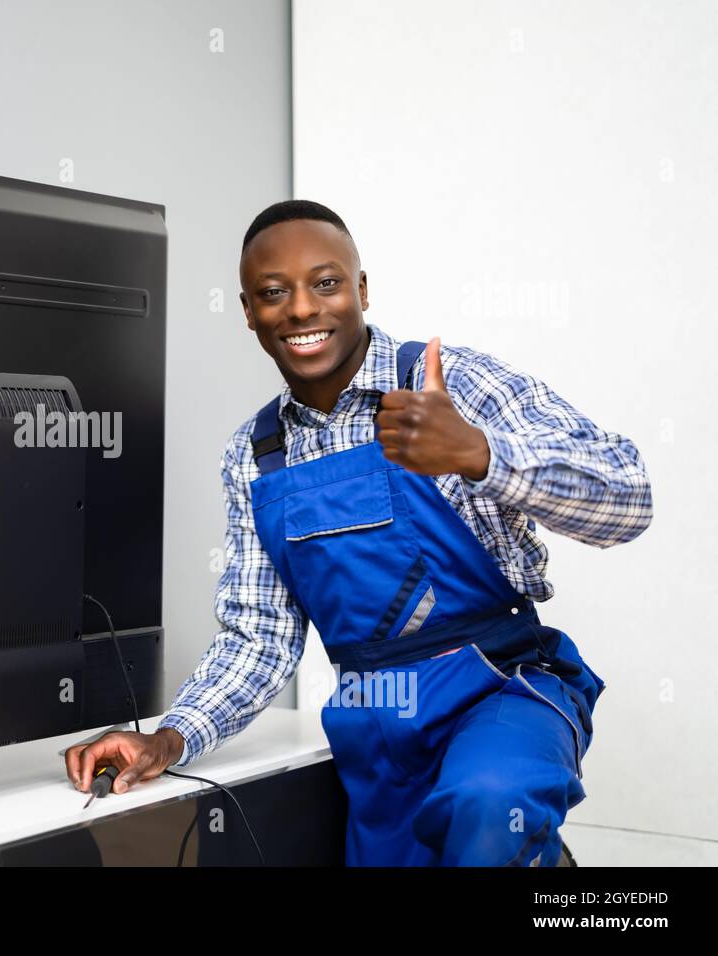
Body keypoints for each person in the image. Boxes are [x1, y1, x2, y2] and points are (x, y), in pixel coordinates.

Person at [63, 200, 653, 865]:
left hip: (503, 689)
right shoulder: (255, 456)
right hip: (377, 727)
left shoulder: (448, 385)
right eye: (273, 293)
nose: (301, 309)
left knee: (488, 806)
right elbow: (260, 639)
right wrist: (169, 738)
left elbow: (629, 496)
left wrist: (478, 453)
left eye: (326, 282)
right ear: (249, 311)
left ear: (361, 289)